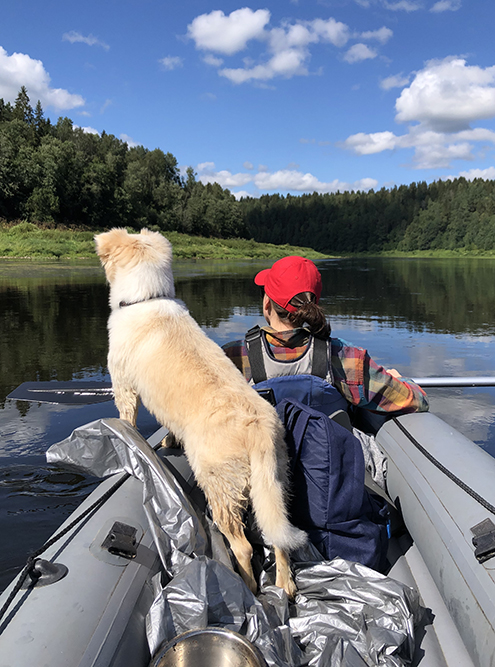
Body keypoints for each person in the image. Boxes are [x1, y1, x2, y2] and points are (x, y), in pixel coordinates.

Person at [223, 255, 429, 490]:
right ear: (313, 305)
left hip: (264, 489)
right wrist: (401, 380)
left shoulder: (232, 357)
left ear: (267, 304)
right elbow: (416, 401)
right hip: (330, 486)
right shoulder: (346, 358)